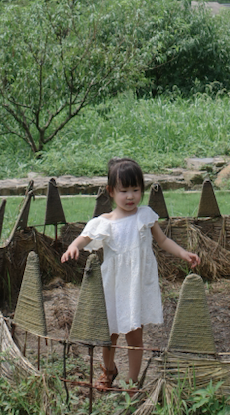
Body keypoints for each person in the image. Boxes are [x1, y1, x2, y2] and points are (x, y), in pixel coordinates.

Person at [61, 157, 200, 388]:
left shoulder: (145, 216)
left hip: (136, 286)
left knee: (135, 335)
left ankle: (133, 381)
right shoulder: (104, 222)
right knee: (110, 334)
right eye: (124, 190)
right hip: (113, 286)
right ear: (111, 192)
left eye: (135, 190)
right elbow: (84, 238)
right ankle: (109, 369)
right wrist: (73, 247)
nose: (130, 196)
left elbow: (163, 240)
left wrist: (183, 253)